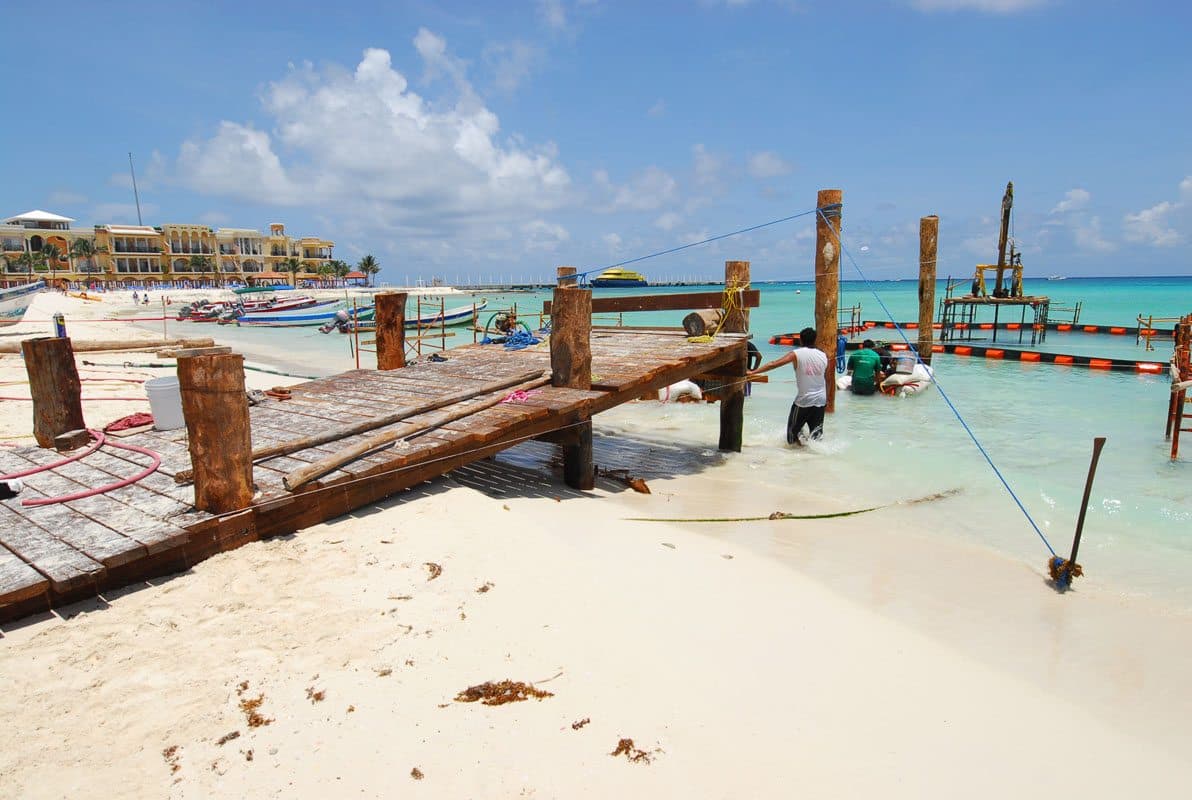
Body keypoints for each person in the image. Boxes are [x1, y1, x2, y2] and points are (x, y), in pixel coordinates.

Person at [748, 327, 828, 445]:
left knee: (791, 435)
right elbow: (824, 378)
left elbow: (774, 364)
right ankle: (814, 460)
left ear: (801, 340)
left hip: (804, 401)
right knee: (816, 437)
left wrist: (753, 372)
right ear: (815, 340)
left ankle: (794, 456)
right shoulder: (823, 355)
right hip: (821, 400)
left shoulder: (796, 354)